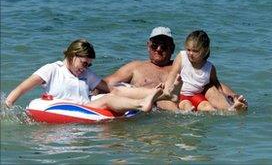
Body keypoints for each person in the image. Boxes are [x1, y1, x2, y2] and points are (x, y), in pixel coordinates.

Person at [98, 27, 248, 111]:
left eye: (164, 46)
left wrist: (233, 95)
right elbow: (107, 83)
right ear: (147, 45)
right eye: (154, 45)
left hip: (189, 105)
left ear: (173, 49)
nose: (158, 49)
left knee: (210, 91)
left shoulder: (184, 64)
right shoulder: (136, 67)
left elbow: (214, 83)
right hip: (160, 111)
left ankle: (232, 109)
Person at [5, 39, 163, 113]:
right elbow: (22, 88)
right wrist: (7, 107)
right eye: (84, 63)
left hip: (86, 107)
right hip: (69, 108)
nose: (86, 67)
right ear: (72, 55)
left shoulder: (86, 73)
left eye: (89, 64)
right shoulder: (52, 69)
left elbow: (109, 88)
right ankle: (142, 104)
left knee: (116, 91)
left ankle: (162, 95)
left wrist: (136, 90)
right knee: (108, 99)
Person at [163, 30, 247, 111]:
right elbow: (173, 73)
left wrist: (228, 97)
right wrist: (167, 90)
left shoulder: (209, 68)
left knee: (207, 107)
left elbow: (217, 85)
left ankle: (232, 109)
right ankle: (190, 112)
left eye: (195, 51)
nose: (190, 53)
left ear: (205, 51)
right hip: (182, 95)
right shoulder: (182, 57)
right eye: (188, 49)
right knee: (186, 105)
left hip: (197, 95)